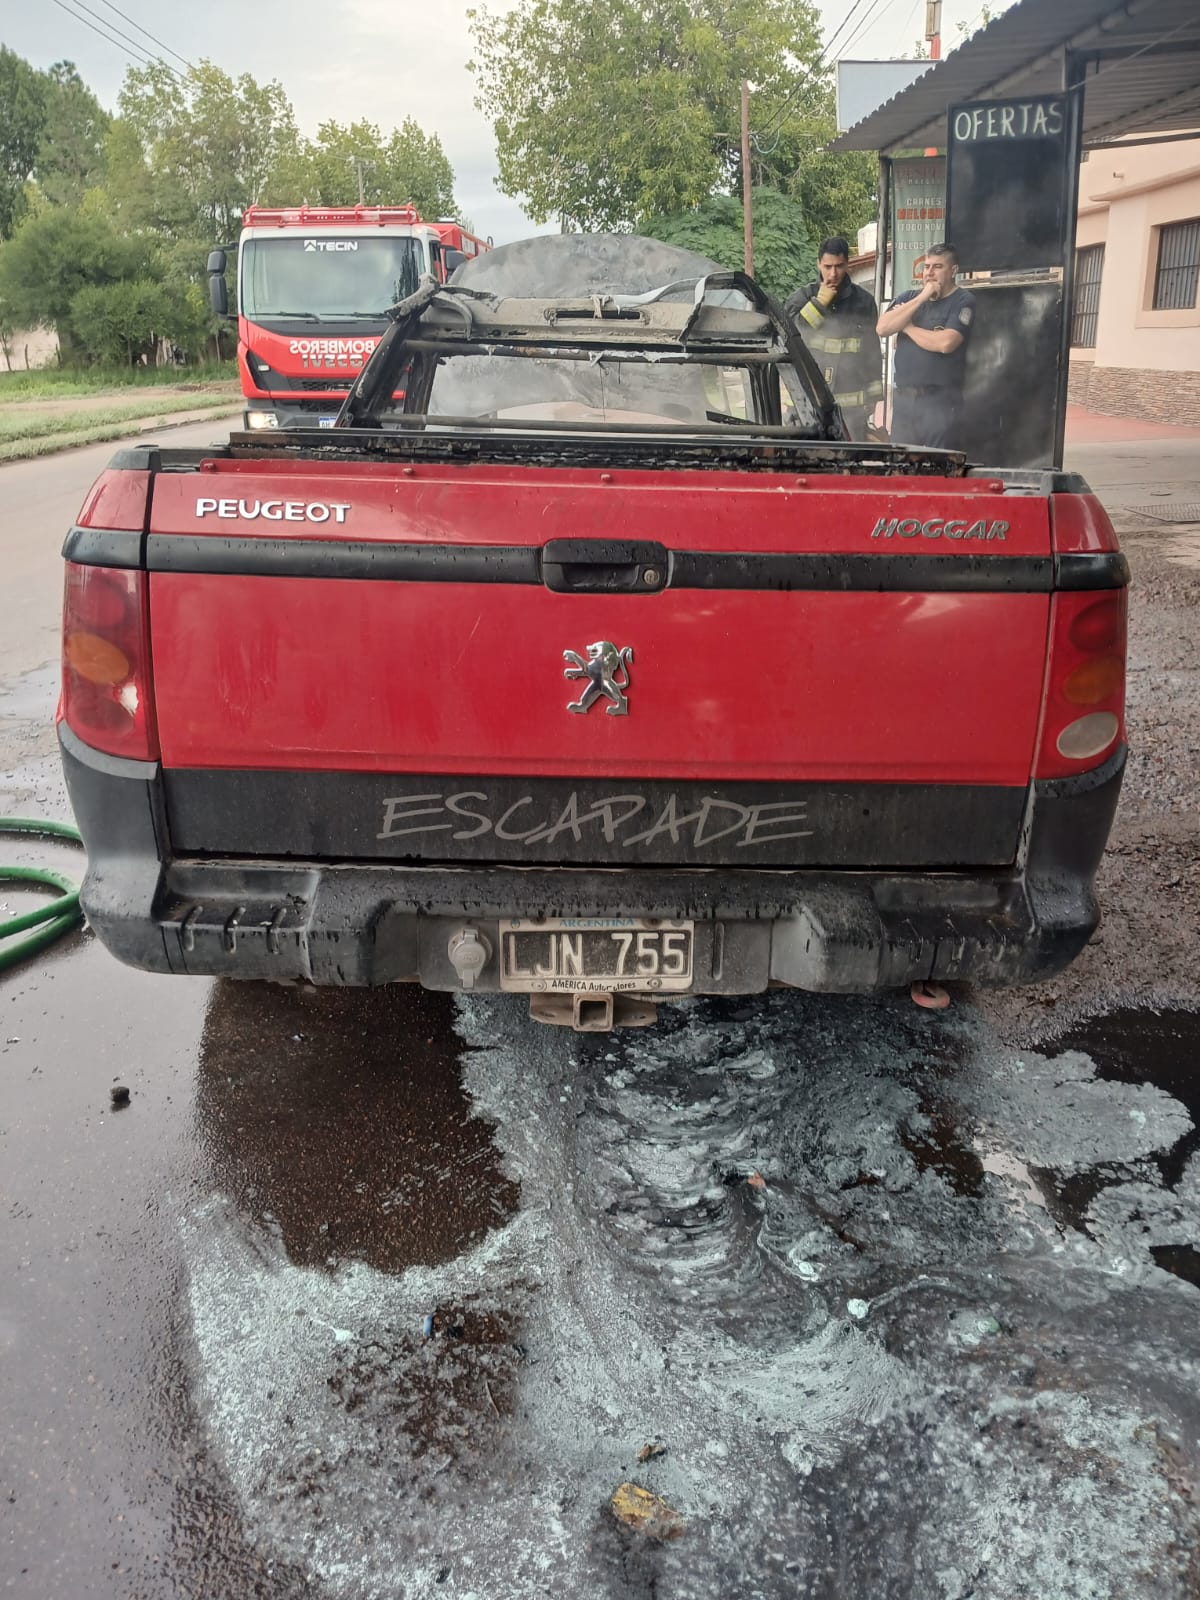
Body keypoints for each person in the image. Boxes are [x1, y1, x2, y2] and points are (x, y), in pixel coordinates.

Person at [876, 243, 975, 451]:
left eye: (937, 267)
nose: (929, 273)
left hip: (940, 400)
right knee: (901, 461)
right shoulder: (907, 298)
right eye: (927, 267)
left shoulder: (962, 300)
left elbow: (946, 343)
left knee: (938, 462)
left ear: (953, 271)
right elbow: (883, 328)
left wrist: (908, 327)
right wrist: (922, 297)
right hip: (905, 400)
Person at [784, 237, 881, 440]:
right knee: (807, 456)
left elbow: (872, 351)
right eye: (827, 267)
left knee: (851, 458)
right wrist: (819, 304)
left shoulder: (864, 302)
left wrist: (874, 395)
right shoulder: (801, 298)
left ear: (847, 264)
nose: (833, 273)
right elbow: (792, 336)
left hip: (852, 410)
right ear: (818, 263)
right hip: (808, 406)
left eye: (839, 266)